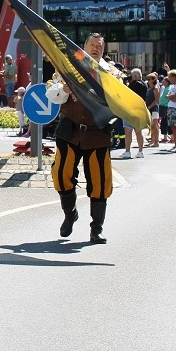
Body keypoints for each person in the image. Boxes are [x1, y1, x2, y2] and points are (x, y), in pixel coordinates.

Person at [53, 32, 114, 244]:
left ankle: (96, 229)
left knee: (99, 182)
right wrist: (64, 89)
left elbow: (119, 101)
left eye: (100, 45)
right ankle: (70, 214)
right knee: (61, 174)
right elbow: (52, 95)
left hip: (98, 133)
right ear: (84, 46)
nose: (96, 48)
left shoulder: (111, 73)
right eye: (92, 44)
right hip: (70, 131)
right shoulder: (69, 68)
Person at [120, 68, 147, 158]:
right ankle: (140, 151)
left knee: (128, 132)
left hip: (130, 110)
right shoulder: (144, 84)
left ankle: (127, 151)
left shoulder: (134, 84)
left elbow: (126, 92)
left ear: (135, 76)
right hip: (140, 110)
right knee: (139, 132)